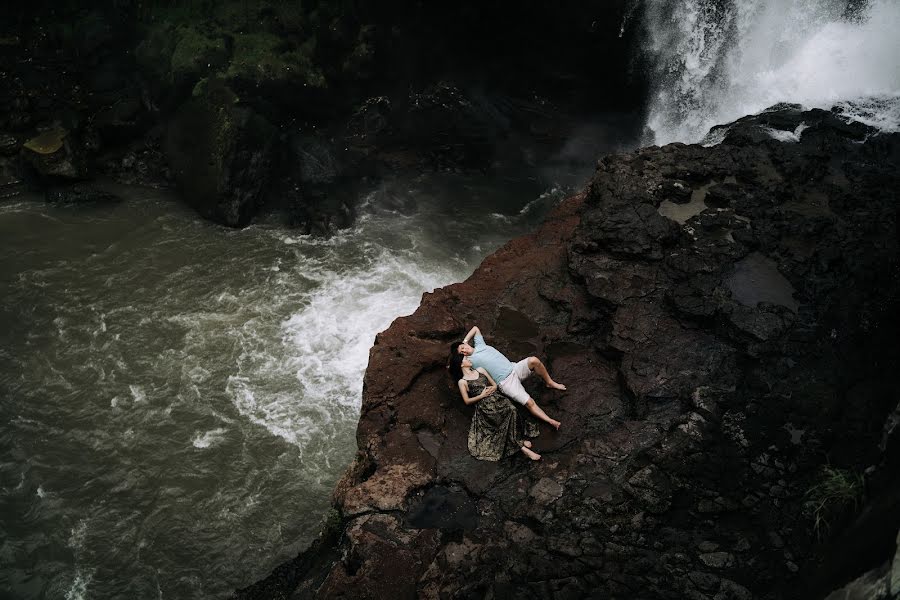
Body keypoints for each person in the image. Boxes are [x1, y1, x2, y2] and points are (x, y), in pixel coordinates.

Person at [454, 325, 563, 430]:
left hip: (514, 368)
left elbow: (475, 329)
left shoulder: (480, 344)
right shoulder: (470, 362)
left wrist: (465, 341)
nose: (464, 351)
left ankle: (550, 382)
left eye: (463, 348)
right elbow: (456, 366)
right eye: (462, 352)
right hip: (506, 383)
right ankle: (550, 421)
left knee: (534, 360)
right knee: (529, 403)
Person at [449, 352, 541, 461]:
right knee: (501, 421)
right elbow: (467, 401)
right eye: (465, 359)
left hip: (497, 398)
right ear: (461, 364)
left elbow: (494, 384)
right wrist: (481, 395)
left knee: (512, 410)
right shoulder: (462, 381)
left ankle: (518, 438)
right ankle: (524, 450)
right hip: (485, 406)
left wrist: (492, 388)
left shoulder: (480, 370)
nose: (469, 359)